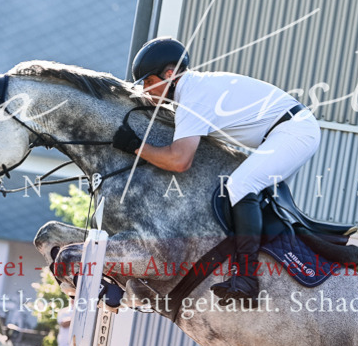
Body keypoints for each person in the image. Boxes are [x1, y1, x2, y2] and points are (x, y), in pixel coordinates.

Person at [113, 37, 320, 306]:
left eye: (149, 82)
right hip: (286, 131)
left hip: (294, 131)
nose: (146, 91)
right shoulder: (192, 90)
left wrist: (136, 146)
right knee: (241, 194)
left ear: (169, 74)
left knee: (239, 186)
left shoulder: (192, 97)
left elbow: (179, 161)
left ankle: (247, 278)